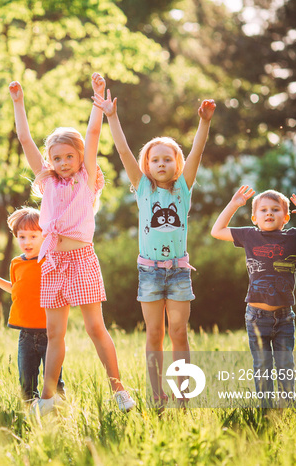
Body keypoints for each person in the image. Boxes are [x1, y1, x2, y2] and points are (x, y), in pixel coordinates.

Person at [10, 73, 134, 415]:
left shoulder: (86, 179)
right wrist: (18, 103)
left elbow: (93, 134)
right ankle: (47, 400)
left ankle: (119, 390)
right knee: (54, 334)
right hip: (51, 262)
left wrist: (98, 102)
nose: (63, 163)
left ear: (80, 158)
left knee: (96, 328)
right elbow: (24, 139)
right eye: (57, 158)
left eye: (69, 156)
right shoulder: (47, 183)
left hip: (80, 258)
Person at [97, 88, 215, 407]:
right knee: (154, 335)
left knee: (178, 331)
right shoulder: (144, 189)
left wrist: (203, 123)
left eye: (167, 159)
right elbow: (122, 152)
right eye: (155, 159)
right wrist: (112, 116)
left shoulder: (183, 189)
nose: (161, 163)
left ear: (175, 164)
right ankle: (157, 393)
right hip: (149, 272)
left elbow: (197, 153)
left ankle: (182, 394)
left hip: (177, 272)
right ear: (147, 163)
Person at [211, 186, 296, 406]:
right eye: (264, 210)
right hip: (256, 317)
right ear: (254, 217)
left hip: (285, 317)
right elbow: (217, 230)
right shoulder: (249, 235)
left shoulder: (294, 236)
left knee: (285, 364)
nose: (269, 213)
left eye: (275, 210)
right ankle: (266, 406)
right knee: (262, 364)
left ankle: (288, 404)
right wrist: (233, 204)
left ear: (286, 217)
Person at [0, 207, 65, 401]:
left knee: (54, 381)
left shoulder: (50, 260)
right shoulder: (16, 263)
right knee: (26, 381)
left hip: (50, 333)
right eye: (22, 237)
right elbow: (17, 289)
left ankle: (60, 414)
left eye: (33, 236)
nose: (27, 242)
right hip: (25, 334)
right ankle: (31, 413)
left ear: (44, 236)